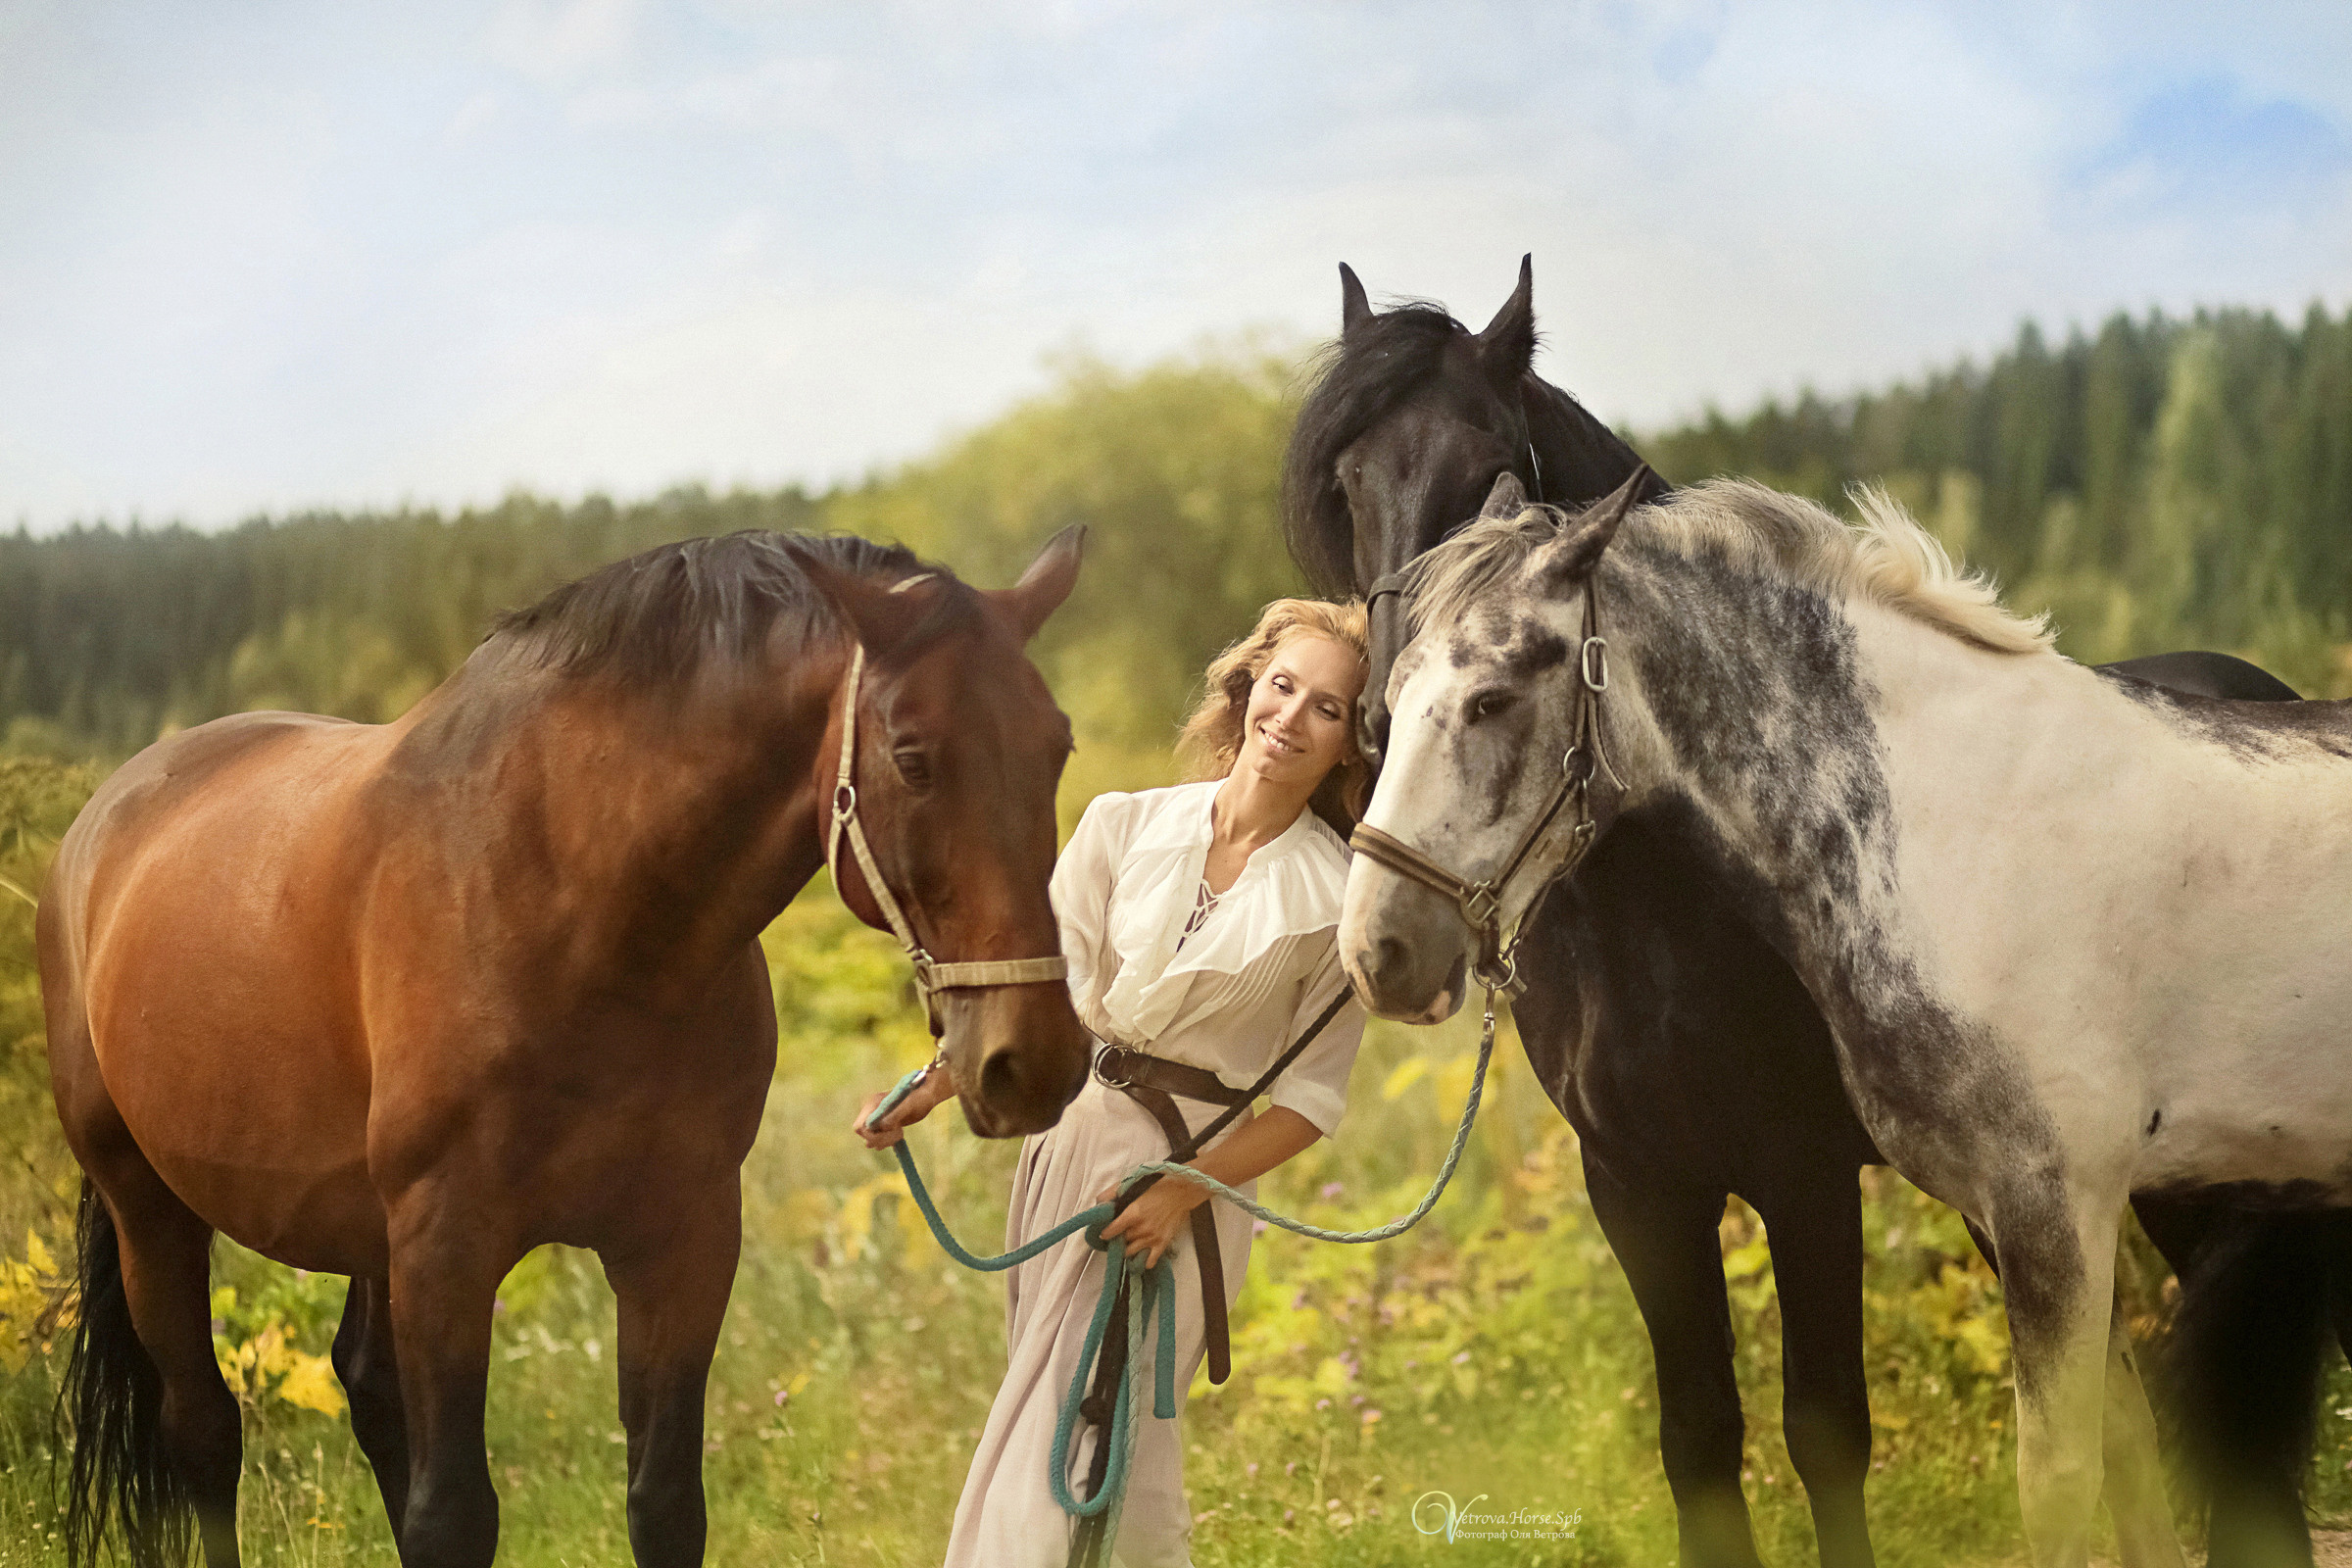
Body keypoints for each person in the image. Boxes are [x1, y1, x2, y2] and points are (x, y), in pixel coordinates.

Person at [855, 597, 1372, 1568]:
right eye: (1284, 685)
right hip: (1069, 1145)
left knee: (1085, 1421)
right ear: (1248, 686)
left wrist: (1185, 1190)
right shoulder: (1123, 822)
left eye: (1329, 709)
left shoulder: (1341, 902)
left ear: (1351, 745)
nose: (1292, 719)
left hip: (1183, 1179)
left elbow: (1310, 1103)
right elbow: (1042, 988)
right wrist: (933, 1081)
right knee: (1071, 1415)